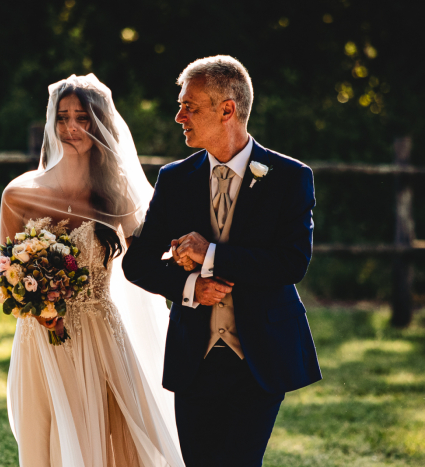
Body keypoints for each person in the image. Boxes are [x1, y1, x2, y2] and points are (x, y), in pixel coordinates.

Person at [122, 55, 322, 466]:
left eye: (189, 106)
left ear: (227, 109)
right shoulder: (175, 179)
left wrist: (210, 254)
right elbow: (137, 262)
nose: (179, 116)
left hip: (260, 357)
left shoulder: (289, 176)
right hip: (193, 357)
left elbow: (291, 263)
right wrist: (191, 286)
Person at [0, 74, 185, 467]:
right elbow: (6, 271)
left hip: (101, 331)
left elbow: (146, 262)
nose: (71, 128)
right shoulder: (19, 195)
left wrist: (190, 267)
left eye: (82, 117)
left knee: (117, 436)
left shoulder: (118, 196)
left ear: (100, 123)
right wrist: (38, 307)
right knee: (50, 435)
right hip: (41, 338)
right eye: (62, 117)